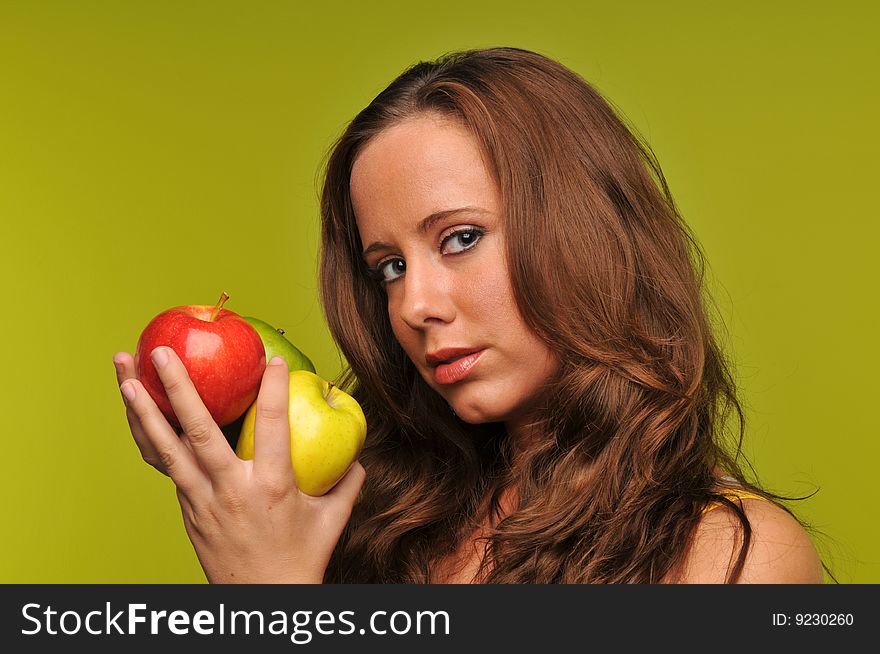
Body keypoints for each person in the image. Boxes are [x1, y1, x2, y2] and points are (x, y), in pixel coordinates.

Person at [114, 47, 827, 584]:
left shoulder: (732, 559)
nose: (414, 306)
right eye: (387, 267)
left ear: (585, 235)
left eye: (461, 239)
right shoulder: (363, 516)